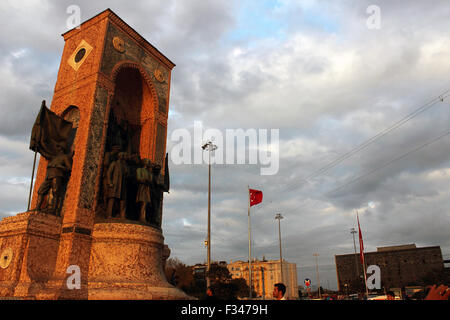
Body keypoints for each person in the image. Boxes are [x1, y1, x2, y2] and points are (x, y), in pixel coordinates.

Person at [36, 143, 73, 215]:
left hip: (57, 175)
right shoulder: (54, 158)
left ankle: (54, 210)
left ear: (61, 149)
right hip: (49, 176)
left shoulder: (65, 157)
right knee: (41, 191)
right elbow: (45, 154)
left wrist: (59, 166)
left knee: (55, 192)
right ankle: (37, 208)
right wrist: (38, 146)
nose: (56, 149)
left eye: (58, 147)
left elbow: (69, 168)